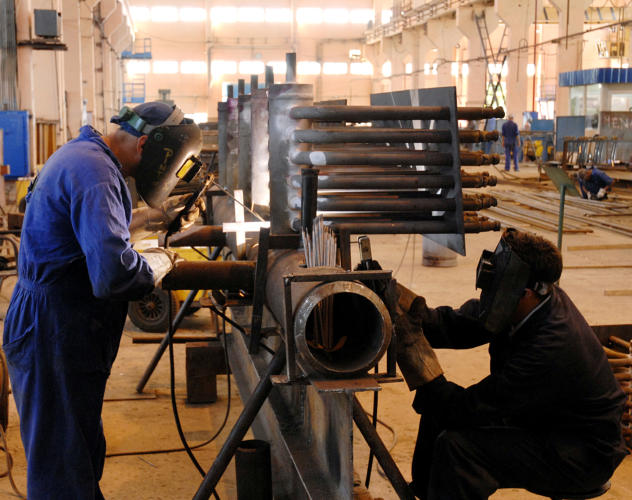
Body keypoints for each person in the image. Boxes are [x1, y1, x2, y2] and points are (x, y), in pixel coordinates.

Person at [3, 101, 203, 499]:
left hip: (57, 322)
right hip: (53, 327)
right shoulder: (96, 173)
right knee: (62, 465)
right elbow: (114, 274)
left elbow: (96, 227)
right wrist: (159, 263)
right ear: (144, 145)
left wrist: (157, 218)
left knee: (76, 450)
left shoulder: (85, 156)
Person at [382, 229, 626, 500]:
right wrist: (400, 303)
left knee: (459, 449)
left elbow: (474, 407)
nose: (488, 294)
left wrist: (430, 383)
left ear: (526, 293)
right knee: (438, 411)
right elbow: (454, 325)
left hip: (581, 452)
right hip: (541, 418)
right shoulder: (519, 305)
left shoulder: (550, 346)